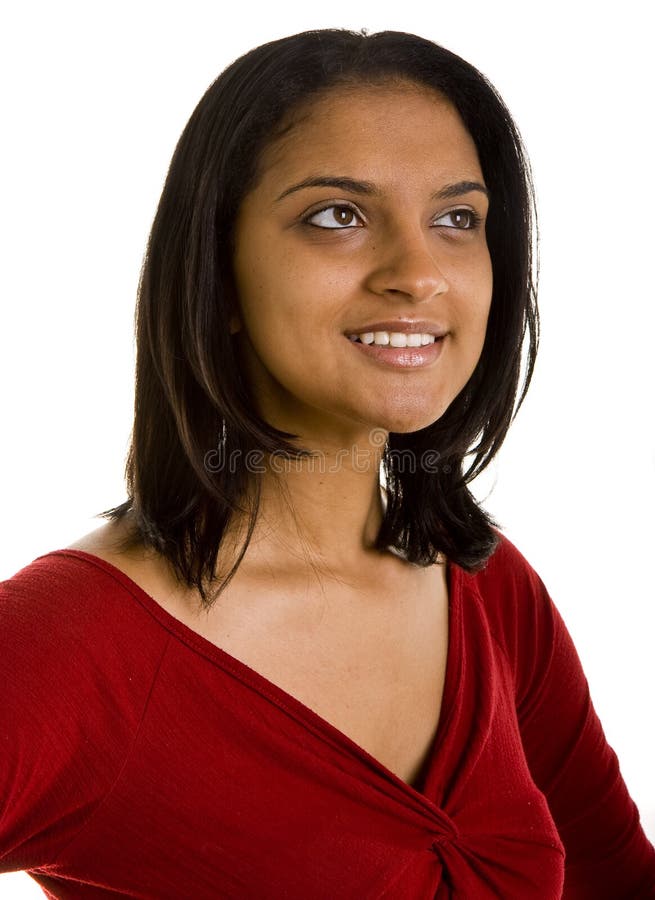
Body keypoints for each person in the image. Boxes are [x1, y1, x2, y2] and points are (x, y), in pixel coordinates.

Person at [1, 27, 654, 899]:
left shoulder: (490, 588)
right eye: (336, 216)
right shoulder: (73, 649)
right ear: (217, 274)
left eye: (456, 219)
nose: (418, 273)